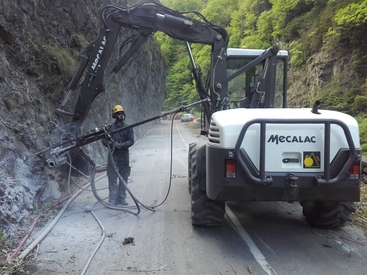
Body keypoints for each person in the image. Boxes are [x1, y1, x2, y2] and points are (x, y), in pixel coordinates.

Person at [103, 105, 134, 206]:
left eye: (121, 113)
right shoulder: (109, 129)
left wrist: (120, 145)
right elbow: (104, 140)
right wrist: (111, 145)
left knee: (124, 176)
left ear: (124, 114)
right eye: (117, 114)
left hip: (124, 156)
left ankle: (121, 198)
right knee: (112, 177)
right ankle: (112, 199)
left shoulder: (128, 127)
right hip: (113, 155)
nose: (119, 115)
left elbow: (131, 141)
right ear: (114, 115)